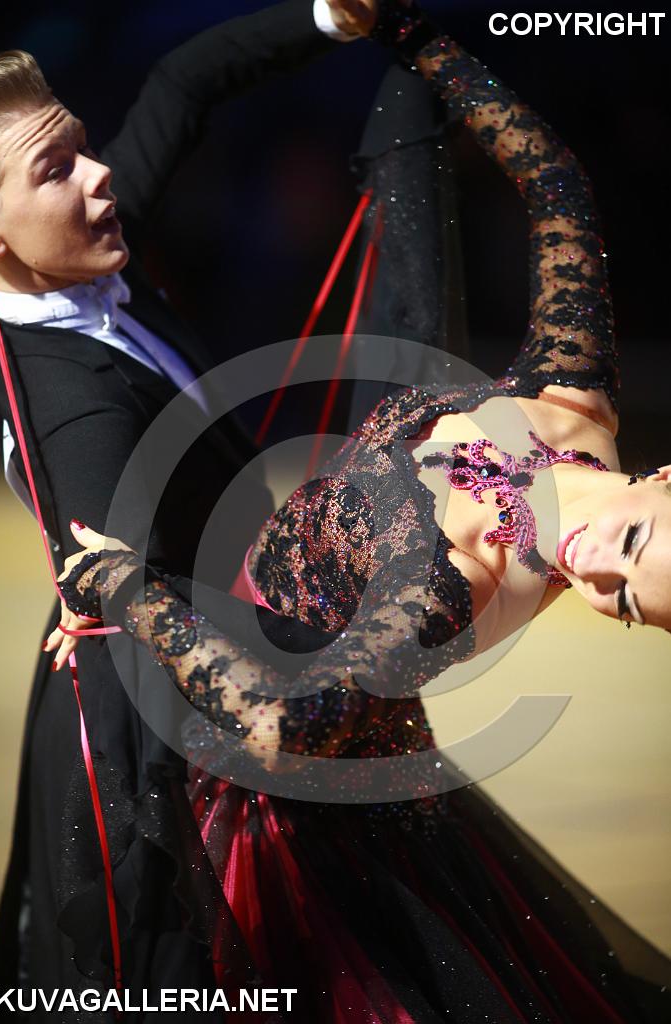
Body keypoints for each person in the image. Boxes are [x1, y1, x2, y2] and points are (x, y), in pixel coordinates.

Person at [55, 1, 671, 1021]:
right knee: (406, 110)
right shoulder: (574, 400)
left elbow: (281, 722)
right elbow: (555, 180)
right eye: (635, 545)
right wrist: (417, 37)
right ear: (662, 480)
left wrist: (127, 587)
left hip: (275, 751)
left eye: (624, 605)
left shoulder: (455, 582)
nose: (593, 570)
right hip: (286, 634)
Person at [0, 1, 377, 1009]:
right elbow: (137, 602)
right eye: (56, 169)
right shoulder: (72, 410)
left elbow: (181, 82)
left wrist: (331, 13)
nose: (100, 173)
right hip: (164, 730)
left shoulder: (79, 247)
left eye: (82, 147)